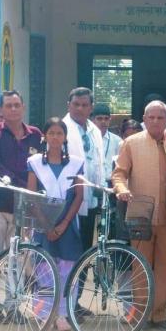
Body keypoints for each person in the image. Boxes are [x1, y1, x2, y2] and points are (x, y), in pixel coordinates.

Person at [112, 101, 166, 331]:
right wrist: (122, 189)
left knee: (164, 267)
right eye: (151, 117)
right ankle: (140, 315)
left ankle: (159, 315)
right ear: (144, 119)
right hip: (141, 215)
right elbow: (119, 174)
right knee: (140, 265)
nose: (156, 121)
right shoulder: (131, 143)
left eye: (160, 118)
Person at [0, 91, 43, 319]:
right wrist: (24, 187)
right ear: (2, 109)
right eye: (9, 105)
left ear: (23, 107)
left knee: (17, 257)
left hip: (23, 207)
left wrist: (30, 194)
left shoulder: (36, 135)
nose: (13, 109)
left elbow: (40, 167)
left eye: (17, 104)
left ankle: (14, 306)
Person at [27, 117, 84, 331]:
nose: (55, 137)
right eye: (51, 133)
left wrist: (63, 224)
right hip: (43, 223)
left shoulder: (76, 163)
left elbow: (79, 196)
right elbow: (32, 197)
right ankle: (44, 314)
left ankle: (63, 314)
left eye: (59, 133)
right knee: (44, 269)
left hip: (68, 223)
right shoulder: (34, 163)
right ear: (44, 136)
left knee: (67, 270)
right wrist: (47, 225)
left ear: (65, 137)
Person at [62, 88, 104, 277]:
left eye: (84, 105)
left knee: (86, 248)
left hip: (91, 197)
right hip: (69, 198)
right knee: (70, 249)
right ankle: (66, 292)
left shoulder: (94, 129)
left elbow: (98, 162)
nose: (80, 108)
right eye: (76, 104)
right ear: (68, 105)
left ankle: (78, 293)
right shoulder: (62, 128)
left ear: (91, 108)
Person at [92, 103, 122, 186]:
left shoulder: (117, 140)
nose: (103, 121)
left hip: (111, 183)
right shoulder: (88, 138)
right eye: (99, 118)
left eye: (106, 118)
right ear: (93, 120)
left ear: (110, 119)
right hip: (92, 183)